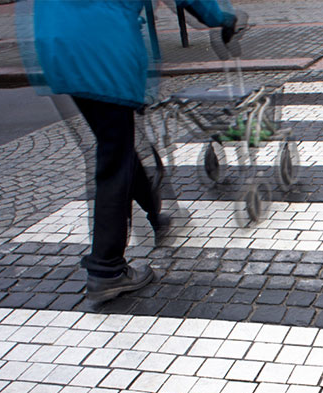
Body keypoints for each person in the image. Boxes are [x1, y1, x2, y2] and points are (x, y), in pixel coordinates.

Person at [30, 0, 238, 303]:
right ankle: (107, 269)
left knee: (118, 143)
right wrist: (221, 18)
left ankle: (155, 214)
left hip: (57, 47)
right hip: (103, 48)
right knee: (114, 157)